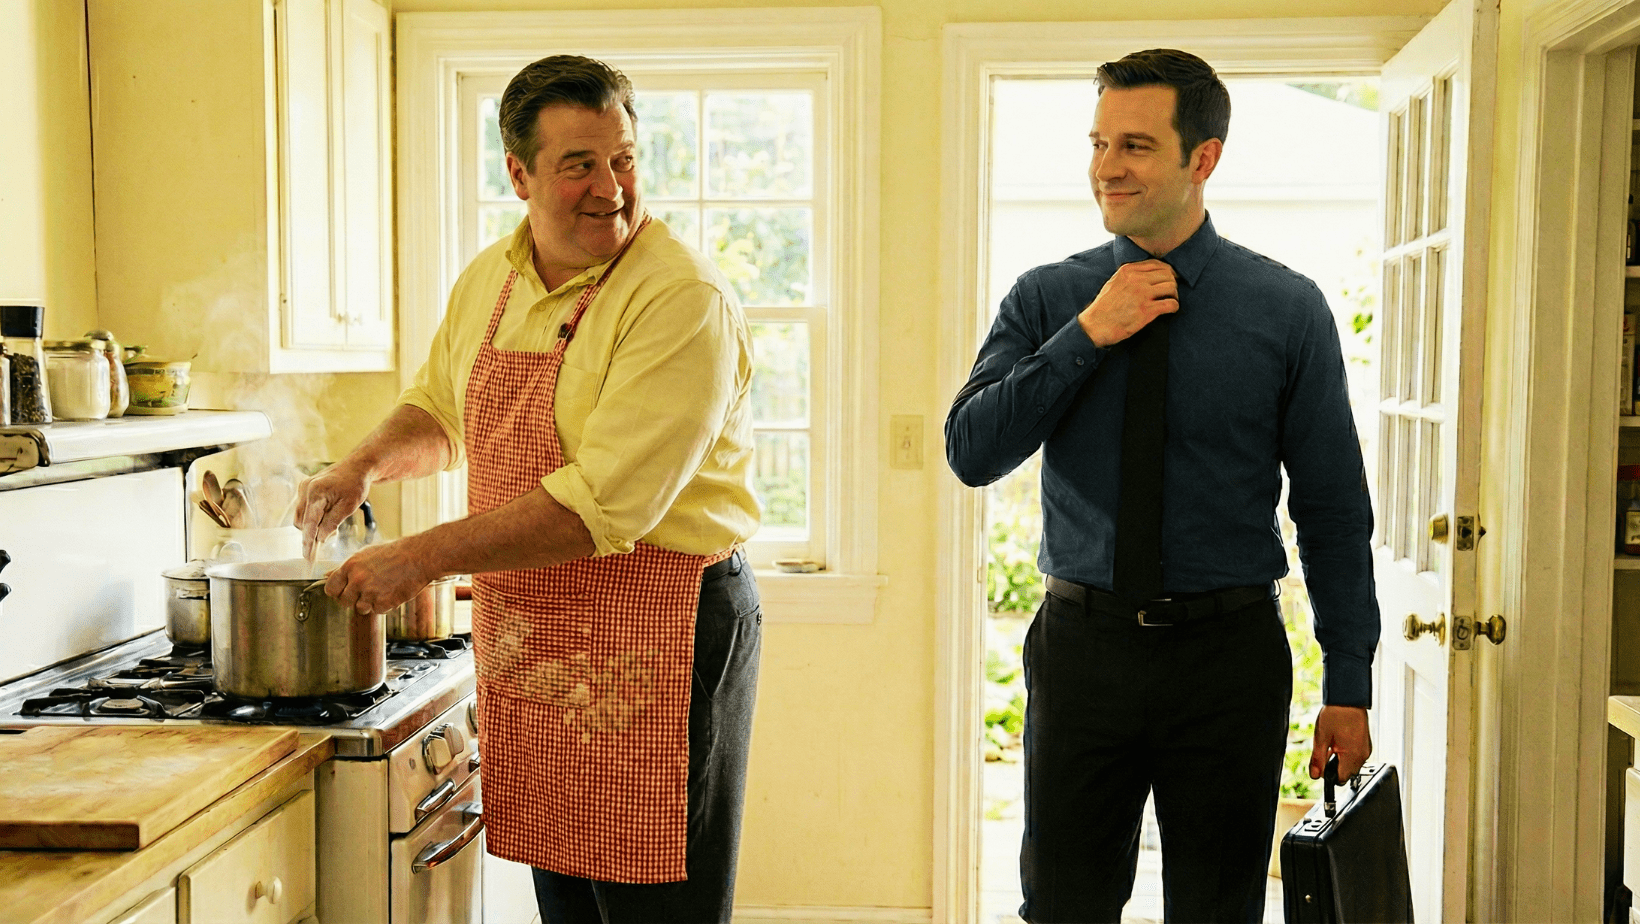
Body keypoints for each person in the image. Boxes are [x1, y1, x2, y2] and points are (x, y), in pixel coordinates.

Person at [295, 54, 762, 924]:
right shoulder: (493, 279)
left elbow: (604, 505)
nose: (611, 187)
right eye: (578, 164)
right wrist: (359, 464)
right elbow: (441, 411)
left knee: (658, 907)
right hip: (540, 637)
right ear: (519, 173)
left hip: (660, 629)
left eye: (623, 158)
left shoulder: (679, 297)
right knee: (570, 902)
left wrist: (419, 559)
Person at [945, 49, 1378, 923]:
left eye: (1136, 145)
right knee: (1063, 906)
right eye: (1099, 142)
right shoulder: (1047, 298)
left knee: (1219, 910)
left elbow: (1332, 508)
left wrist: (1350, 681)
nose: (1108, 166)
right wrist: (1088, 334)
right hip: (1082, 653)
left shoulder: (1286, 309)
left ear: (1202, 158)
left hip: (1228, 660)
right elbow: (972, 449)